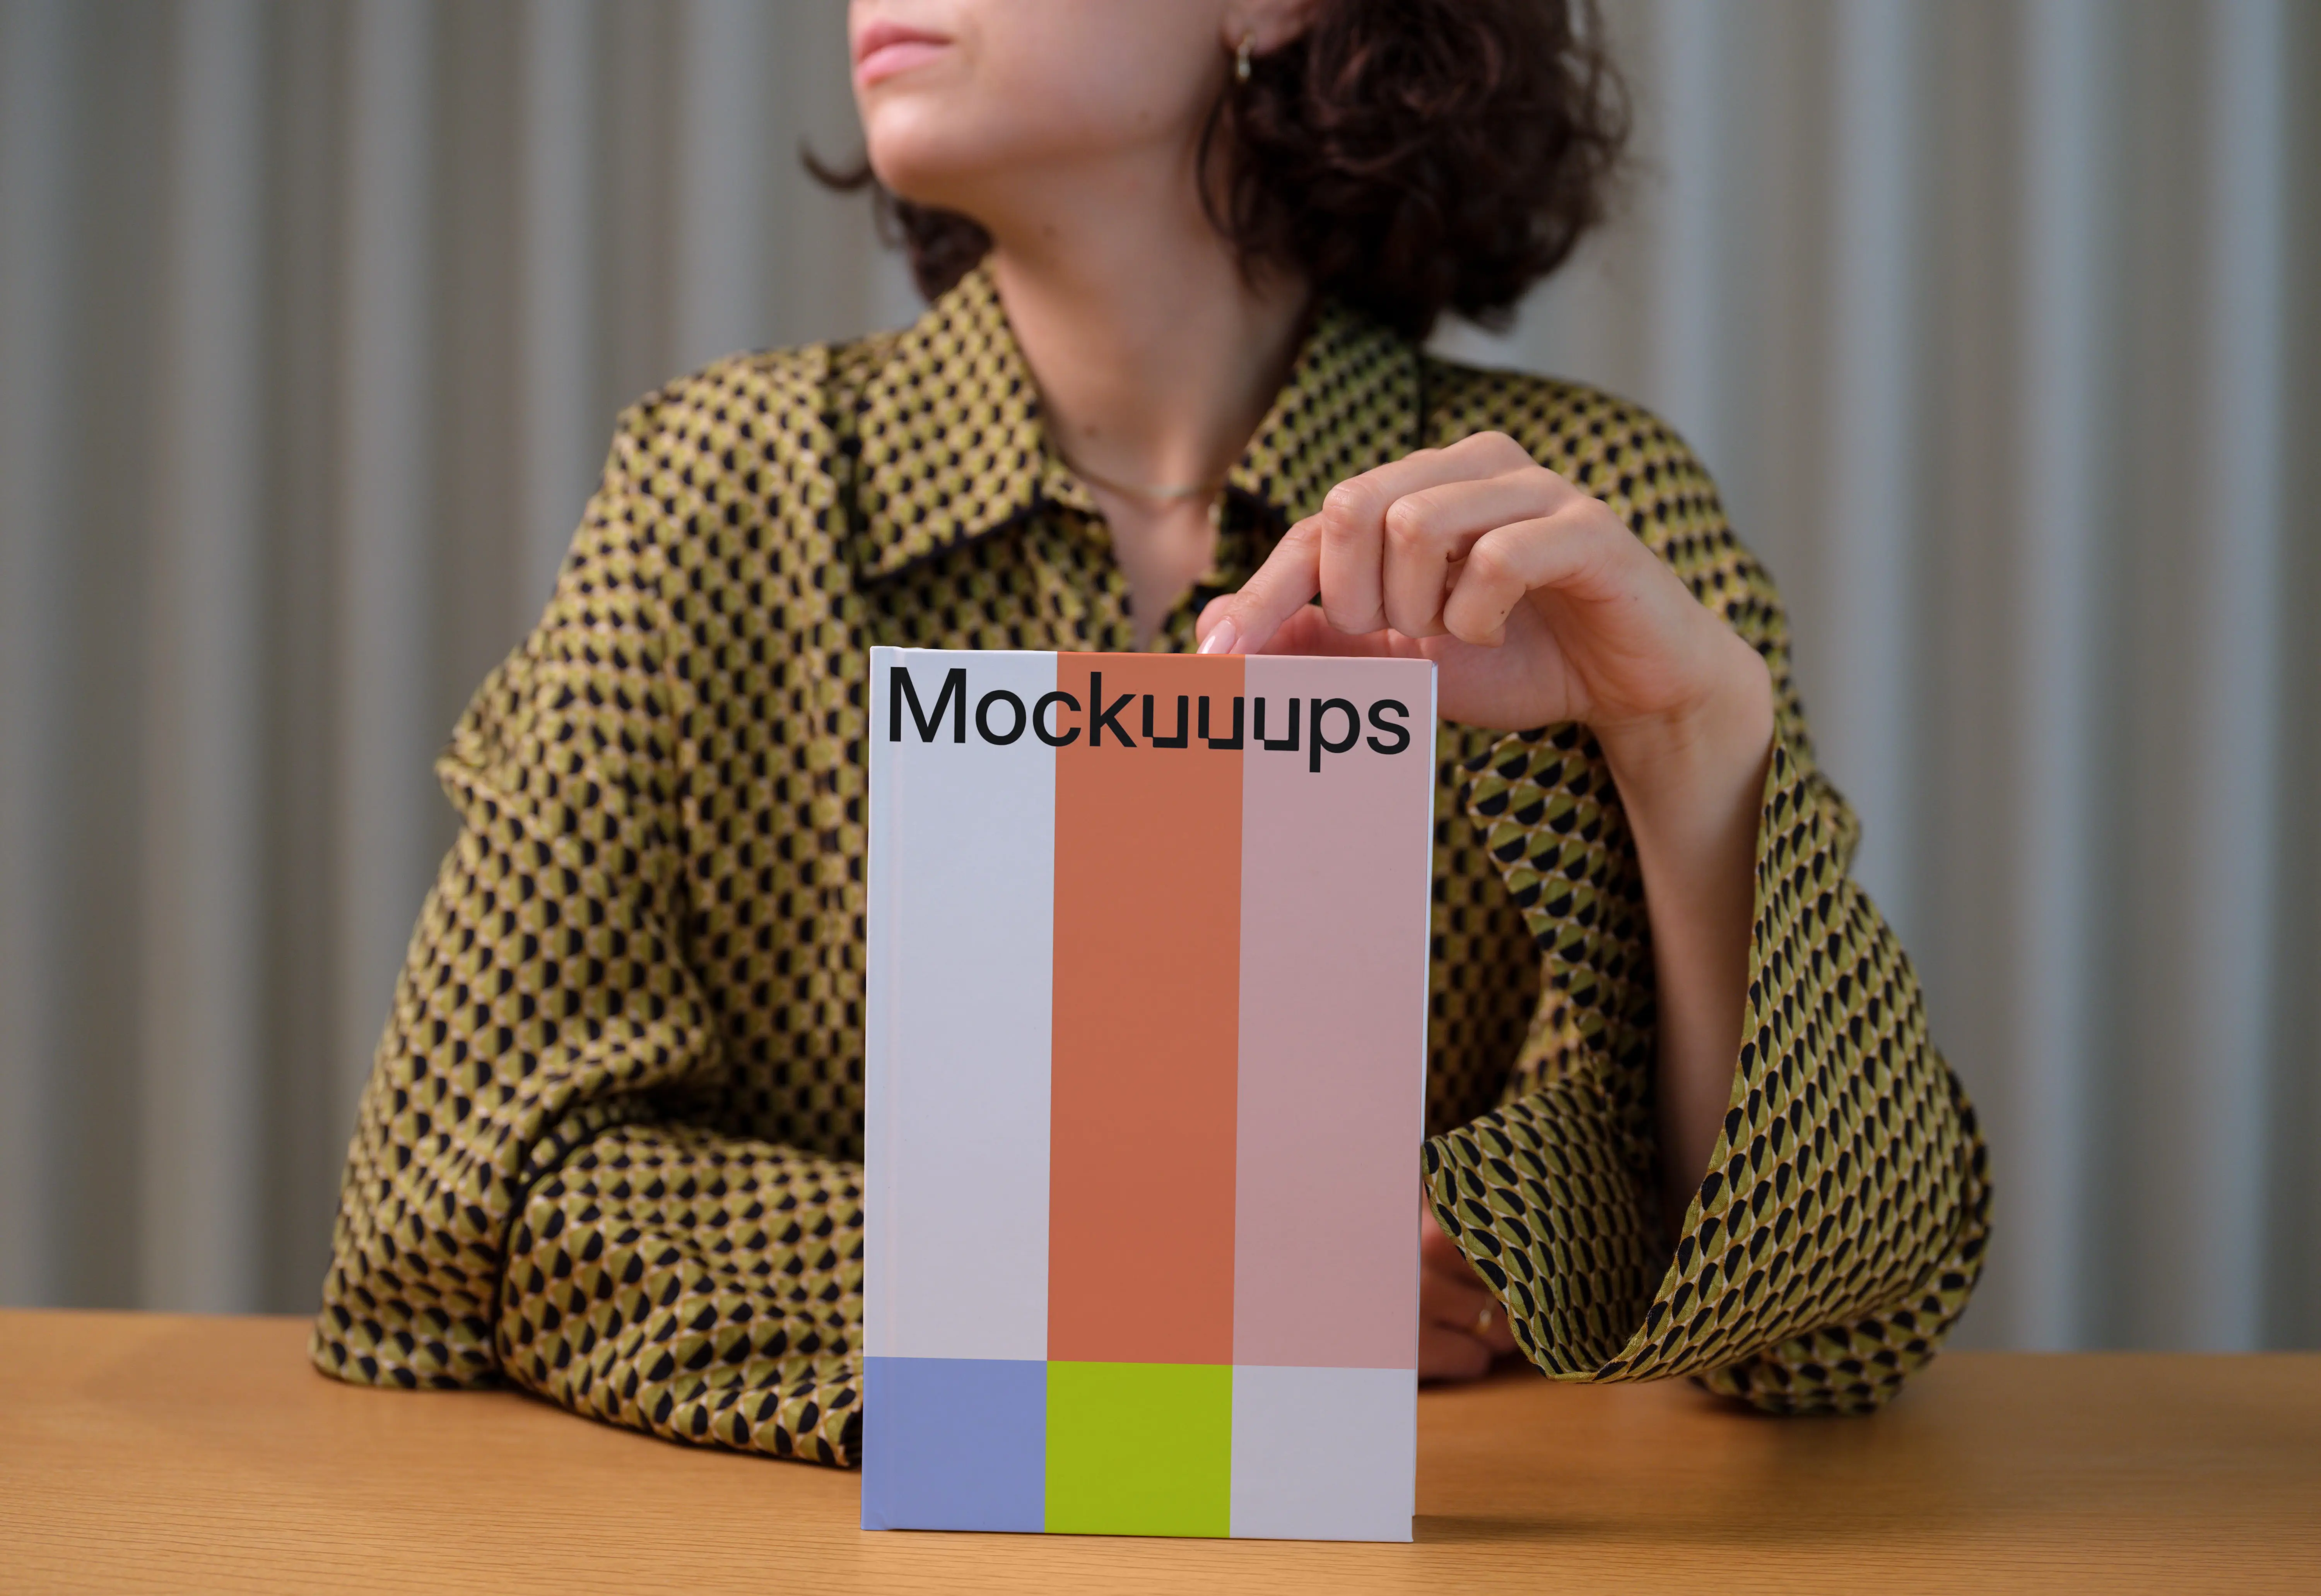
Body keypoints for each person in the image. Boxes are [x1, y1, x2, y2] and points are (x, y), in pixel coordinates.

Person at [310, 0, 1988, 1466]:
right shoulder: (719, 490)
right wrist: (1140, 1268)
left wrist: (1695, 753)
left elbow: (1835, 1321)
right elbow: (453, 1209)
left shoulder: (1572, 534)